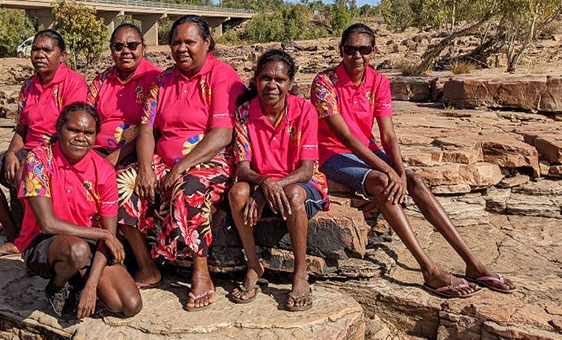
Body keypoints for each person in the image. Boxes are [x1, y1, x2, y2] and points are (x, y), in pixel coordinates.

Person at [311, 23, 516, 298]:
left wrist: (401, 172)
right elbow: (346, 137)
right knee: (384, 183)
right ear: (341, 51)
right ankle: (429, 269)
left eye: (364, 49)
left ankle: (473, 264)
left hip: (367, 150)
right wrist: (390, 173)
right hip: (331, 154)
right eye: (350, 50)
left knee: (416, 180)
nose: (357, 56)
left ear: (373, 51)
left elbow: (388, 135)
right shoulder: (324, 83)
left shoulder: (379, 82)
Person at [118, 15, 245, 311]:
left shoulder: (222, 77)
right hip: (165, 159)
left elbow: (222, 134)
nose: (182, 49)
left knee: (190, 188)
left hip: (210, 160)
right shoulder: (163, 80)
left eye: (190, 42)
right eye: (176, 42)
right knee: (122, 183)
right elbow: (147, 127)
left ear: (207, 43)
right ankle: (147, 267)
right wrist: (147, 168)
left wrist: (180, 167)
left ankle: (201, 272)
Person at [14, 102, 142, 319]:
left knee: (129, 304)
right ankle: (58, 284)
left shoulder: (104, 170)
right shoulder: (38, 160)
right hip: (44, 241)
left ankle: (80, 280)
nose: (80, 137)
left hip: (88, 241)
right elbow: (48, 224)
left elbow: (108, 235)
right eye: (73, 130)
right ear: (59, 129)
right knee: (77, 251)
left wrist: (91, 287)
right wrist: (102, 233)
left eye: (88, 133)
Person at [0, 29, 88, 260]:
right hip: (28, 148)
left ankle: (31, 239)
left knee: (25, 171)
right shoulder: (28, 86)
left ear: (61, 55)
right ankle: (13, 235)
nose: (40, 54)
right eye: (36, 49)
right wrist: (13, 153)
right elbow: (22, 130)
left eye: (47, 50)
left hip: (57, 152)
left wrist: (31, 159)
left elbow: (72, 132)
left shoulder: (73, 84)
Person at [228, 49, 329, 311]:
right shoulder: (244, 113)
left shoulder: (304, 110)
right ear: (256, 79)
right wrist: (263, 183)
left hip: (300, 185)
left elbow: (306, 170)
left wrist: (266, 189)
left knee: (295, 193)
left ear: (291, 83)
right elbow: (242, 167)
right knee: (237, 193)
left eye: (279, 80)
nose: (272, 85)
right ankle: (253, 265)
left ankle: (300, 273)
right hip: (264, 182)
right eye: (265, 78)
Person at [87, 24, 161, 168]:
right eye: (118, 46)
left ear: (143, 48)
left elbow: (157, 129)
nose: (125, 51)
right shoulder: (100, 81)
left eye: (132, 45)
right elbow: (87, 117)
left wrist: (117, 156)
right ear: (111, 50)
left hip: (135, 153)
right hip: (97, 150)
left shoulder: (156, 79)